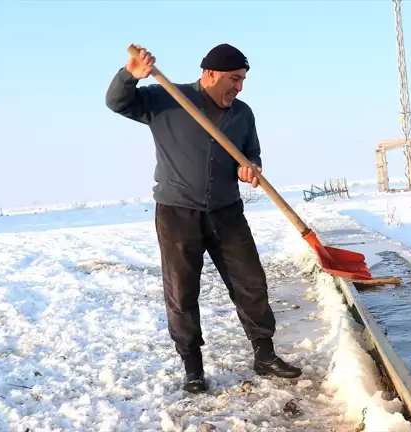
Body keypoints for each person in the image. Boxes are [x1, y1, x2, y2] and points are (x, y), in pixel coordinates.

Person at [105, 43, 302, 393]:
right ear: (211, 73)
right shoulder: (167, 98)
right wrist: (128, 76)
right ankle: (192, 368)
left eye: (242, 80)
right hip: (177, 213)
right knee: (182, 292)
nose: (239, 86)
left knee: (251, 282)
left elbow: (251, 153)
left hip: (226, 212)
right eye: (234, 78)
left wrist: (250, 167)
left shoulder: (242, 114)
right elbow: (117, 102)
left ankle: (264, 354)